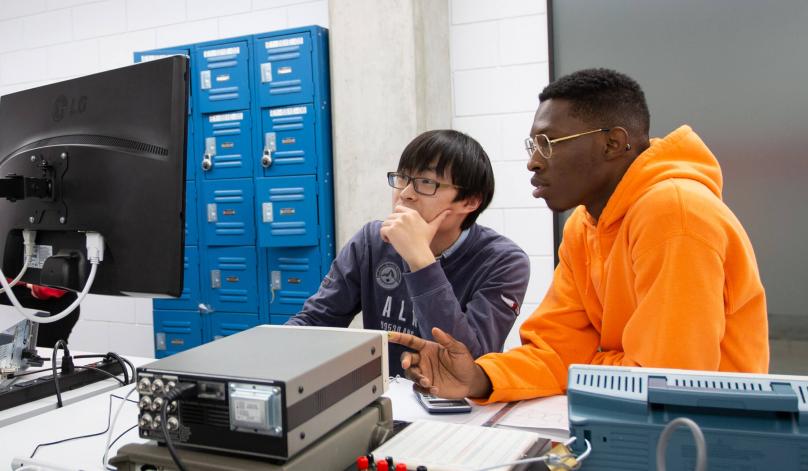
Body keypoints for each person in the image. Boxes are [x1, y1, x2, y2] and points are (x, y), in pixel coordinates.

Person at [390, 68, 769, 403]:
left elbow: (667, 382)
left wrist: (588, 360)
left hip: (710, 438)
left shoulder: (675, 212)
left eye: (547, 144)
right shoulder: (584, 225)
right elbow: (557, 350)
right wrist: (480, 377)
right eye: (532, 146)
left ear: (612, 143)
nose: (533, 162)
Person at [286, 130, 530, 376]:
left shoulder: (504, 261)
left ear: (469, 202)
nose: (405, 193)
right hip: (389, 399)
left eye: (426, 183)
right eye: (403, 178)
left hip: (463, 410)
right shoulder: (372, 242)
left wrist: (421, 261)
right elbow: (315, 322)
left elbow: (468, 366)